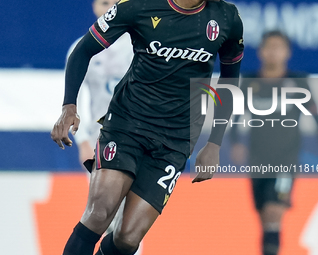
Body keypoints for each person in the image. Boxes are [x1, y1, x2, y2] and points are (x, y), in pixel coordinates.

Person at [51, 0, 244, 254]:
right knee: (99, 212)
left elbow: (229, 83)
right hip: (127, 123)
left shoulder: (227, 17)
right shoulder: (139, 5)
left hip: (176, 139)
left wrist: (214, 143)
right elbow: (82, 50)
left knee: (128, 238)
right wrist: (69, 107)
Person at [230, 30, 318, 255]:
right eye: (269, 47)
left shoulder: (298, 83)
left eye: (279, 47)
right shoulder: (249, 82)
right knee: (265, 219)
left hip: (286, 162)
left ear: (287, 53)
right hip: (257, 161)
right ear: (261, 52)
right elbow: (234, 118)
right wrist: (235, 141)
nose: (273, 52)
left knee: (273, 213)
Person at [69, 0, 133, 165]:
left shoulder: (141, 45)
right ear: (94, 7)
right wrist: (83, 142)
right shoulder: (82, 49)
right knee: (101, 190)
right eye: (105, 3)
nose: (111, 7)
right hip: (100, 135)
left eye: (116, 2)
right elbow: (75, 99)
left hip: (139, 133)